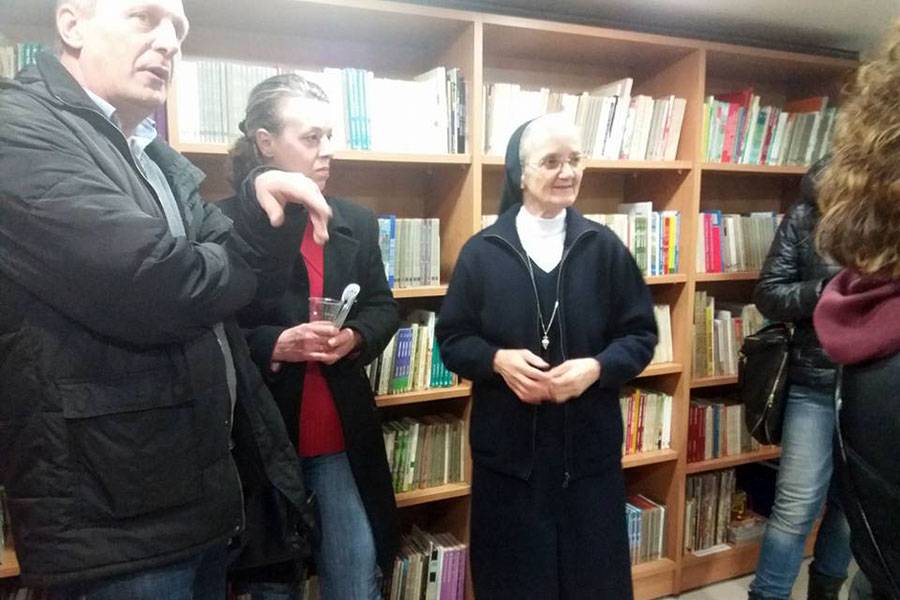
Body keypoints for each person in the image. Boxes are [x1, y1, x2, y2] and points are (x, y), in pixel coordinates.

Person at [0, 1, 333, 597]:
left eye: (178, 28)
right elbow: (160, 285)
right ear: (71, 24)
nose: (169, 41)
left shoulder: (150, 152)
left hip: (190, 499)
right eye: (144, 17)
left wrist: (253, 208)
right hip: (112, 523)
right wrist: (211, 262)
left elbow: (230, 272)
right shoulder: (16, 127)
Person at [435, 113, 658, 599]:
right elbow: (452, 340)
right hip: (509, 462)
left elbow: (641, 335)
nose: (567, 172)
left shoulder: (604, 248)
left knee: (593, 586)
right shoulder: (482, 252)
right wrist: (496, 360)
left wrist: (597, 368)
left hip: (588, 461)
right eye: (552, 161)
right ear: (520, 173)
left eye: (575, 160)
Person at [221, 73, 400, 600]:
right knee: (271, 588)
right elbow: (213, 328)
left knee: (356, 582)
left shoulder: (355, 221)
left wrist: (357, 337)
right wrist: (273, 344)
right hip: (260, 443)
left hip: (339, 437)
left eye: (329, 136)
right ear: (265, 142)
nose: (327, 151)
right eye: (311, 137)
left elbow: (382, 305)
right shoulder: (221, 223)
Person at [813, 20, 900, 600]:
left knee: (838, 518)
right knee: (803, 500)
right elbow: (773, 291)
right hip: (810, 374)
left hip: (876, 574)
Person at [747, 158, 852, 600]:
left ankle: (825, 591)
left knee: (852, 508)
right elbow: (769, 293)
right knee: (795, 506)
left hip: (878, 384)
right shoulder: (808, 213)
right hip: (816, 382)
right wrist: (829, 292)